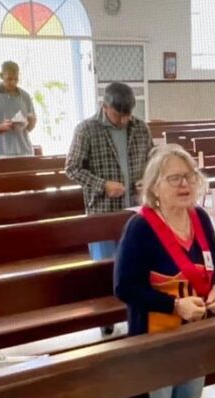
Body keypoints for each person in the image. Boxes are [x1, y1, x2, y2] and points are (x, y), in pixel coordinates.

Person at [113, 144, 215, 398]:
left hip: (196, 331)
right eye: (174, 179)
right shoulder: (140, 228)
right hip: (155, 337)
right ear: (154, 187)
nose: (185, 184)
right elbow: (124, 287)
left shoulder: (200, 218)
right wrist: (174, 305)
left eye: (189, 176)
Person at [66, 82, 154, 334]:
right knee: (107, 266)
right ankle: (107, 315)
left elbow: (151, 160)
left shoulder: (140, 127)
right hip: (103, 211)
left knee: (138, 264)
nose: (124, 120)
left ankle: (136, 312)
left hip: (136, 209)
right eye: (118, 115)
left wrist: (145, 180)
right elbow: (72, 168)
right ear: (105, 107)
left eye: (128, 114)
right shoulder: (86, 129)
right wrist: (103, 185)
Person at [0, 61, 37, 158]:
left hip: (26, 151)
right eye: (9, 79)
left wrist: (32, 121)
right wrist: (3, 126)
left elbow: (30, 128)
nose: (13, 82)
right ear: (1, 76)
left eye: (16, 79)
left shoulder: (25, 96)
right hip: (3, 152)